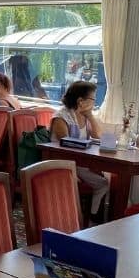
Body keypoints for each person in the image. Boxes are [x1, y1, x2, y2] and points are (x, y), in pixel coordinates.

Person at [50, 81, 108, 223]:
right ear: (80, 101)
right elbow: (65, 144)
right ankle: (93, 218)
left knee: (106, 179)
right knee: (103, 183)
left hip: (80, 162)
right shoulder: (61, 116)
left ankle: (92, 215)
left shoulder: (83, 116)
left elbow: (98, 136)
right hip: (63, 162)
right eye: (93, 99)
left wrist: (90, 116)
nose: (94, 102)